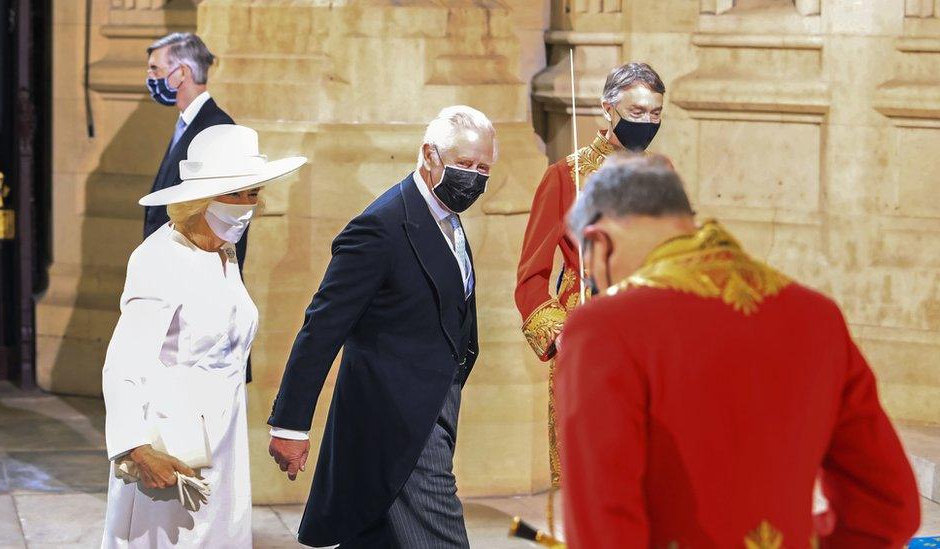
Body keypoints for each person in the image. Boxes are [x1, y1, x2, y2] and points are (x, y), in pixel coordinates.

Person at [557, 155, 920, 547]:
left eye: (589, 269)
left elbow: (603, 529)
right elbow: (889, 508)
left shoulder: (605, 327)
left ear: (598, 239)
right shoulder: (816, 315)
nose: (596, 284)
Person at [267, 106, 495, 548]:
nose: (475, 176)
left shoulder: (447, 216)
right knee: (439, 537)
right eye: (465, 164)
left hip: (435, 404)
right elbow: (322, 326)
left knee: (377, 536)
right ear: (429, 155)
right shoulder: (381, 227)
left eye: (484, 167)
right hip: (396, 417)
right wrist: (290, 424)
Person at [101, 125, 305, 548]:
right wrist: (137, 449)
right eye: (236, 194)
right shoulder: (159, 257)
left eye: (253, 194)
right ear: (200, 198)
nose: (248, 206)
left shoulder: (224, 254)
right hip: (170, 443)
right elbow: (123, 361)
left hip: (224, 439)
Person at [515, 62, 666, 486]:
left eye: (655, 114)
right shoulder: (565, 176)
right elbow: (530, 276)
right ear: (608, 108)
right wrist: (560, 336)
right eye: (637, 113)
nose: (648, 122)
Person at [143, 33, 250, 272]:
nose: (149, 78)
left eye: (155, 70)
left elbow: (228, 215)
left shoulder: (217, 128)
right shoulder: (186, 124)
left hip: (194, 277)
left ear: (182, 73)